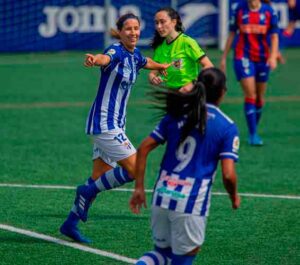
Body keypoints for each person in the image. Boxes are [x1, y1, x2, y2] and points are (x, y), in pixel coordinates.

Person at [59, 13, 171, 243]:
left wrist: (161, 66)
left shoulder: (135, 54)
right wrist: (94, 60)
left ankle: (70, 224)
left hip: (116, 124)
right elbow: (104, 58)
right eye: (128, 29)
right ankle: (85, 192)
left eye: (136, 28)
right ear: (119, 32)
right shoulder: (116, 51)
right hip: (105, 123)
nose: (133, 32)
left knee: (98, 177)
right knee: (135, 169)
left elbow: (145, 62)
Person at [130, 67, 241, 265]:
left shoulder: (176, 114)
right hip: (190, 202)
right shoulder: (227, 126)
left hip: (162, 194)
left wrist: (139, 187)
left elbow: (144, 148)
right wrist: (234, 196)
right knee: (184, 257)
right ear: (223, 92)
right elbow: (228, 175)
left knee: (161, 254)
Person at [220, 0, 279, 146]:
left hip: (262, 57)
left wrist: (272, 56)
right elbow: (232, 33)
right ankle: (253, 134)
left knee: (259, 97)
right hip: (243, 56)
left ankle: (254, 129)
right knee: (251, 94)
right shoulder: (239, 9)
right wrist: (223, 57)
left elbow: (274, 36)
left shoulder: (269, 11)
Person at [149, 7, 213, 93]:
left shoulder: (187, 42)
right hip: (171, 94)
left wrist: (192, 84)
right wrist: (153, 79)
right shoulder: (160, 47)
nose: (159, 26)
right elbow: (152, 73)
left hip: (190, 93)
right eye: (156, 23)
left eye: (162, 22)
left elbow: (209, 66)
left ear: (173, 22)